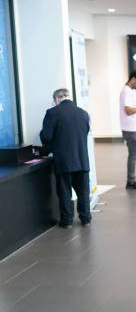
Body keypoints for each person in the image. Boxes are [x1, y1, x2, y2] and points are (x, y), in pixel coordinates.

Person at [39, 89, 91, 228]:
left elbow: (46, 136)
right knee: (83, 192)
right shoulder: (83, 113)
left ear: (57, 99)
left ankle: (67, 221)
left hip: (64, 160)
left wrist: (46, 146)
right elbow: (84, 134)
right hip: (82, 160)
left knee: (64, 192)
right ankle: (86, 219)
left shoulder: (52, 112)